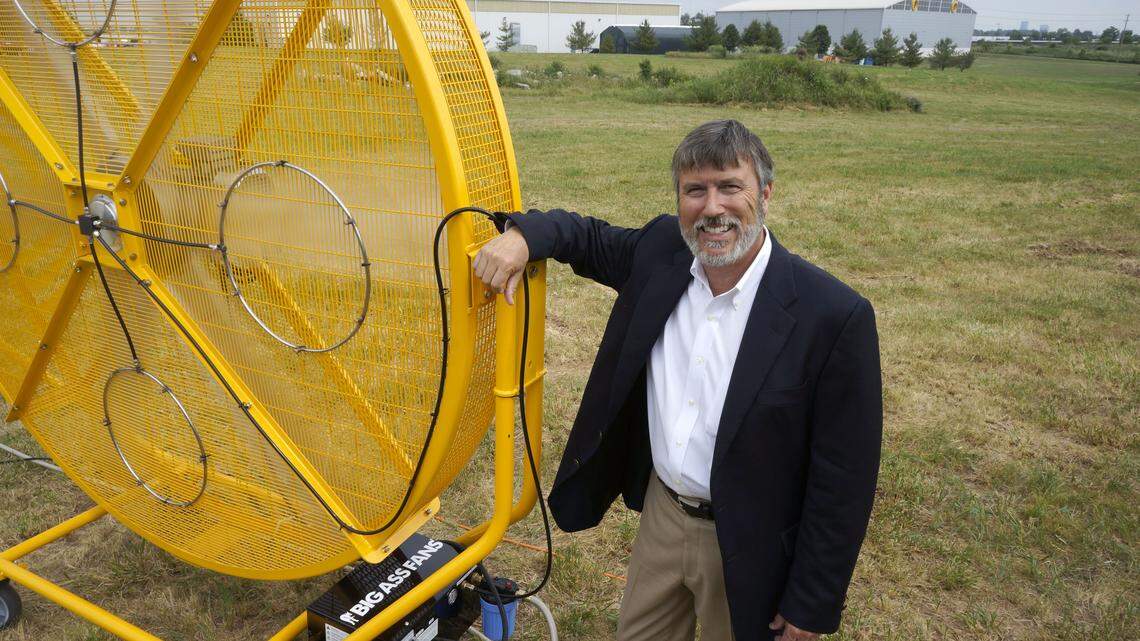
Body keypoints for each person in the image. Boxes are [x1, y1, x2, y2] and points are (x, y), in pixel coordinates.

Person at [472, 120, 882, 641]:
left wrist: (811, 602)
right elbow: (585, 235)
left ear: (766, 193)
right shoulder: (661, 253)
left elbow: (844, 479)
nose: (712, 208)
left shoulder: (833, 316)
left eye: (730, 187)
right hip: (663, 517)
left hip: (751, 539)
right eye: (696, 190)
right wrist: (524, 236)